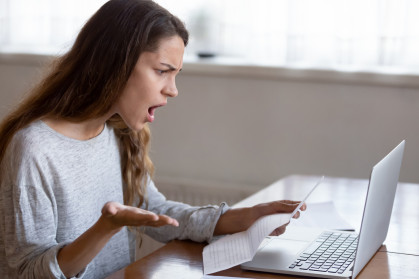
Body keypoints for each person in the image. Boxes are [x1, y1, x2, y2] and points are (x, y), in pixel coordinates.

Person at [0, 0, 305, 278]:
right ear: (115, 64)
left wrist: (240, 218)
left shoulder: (117, 131)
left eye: (175, 74)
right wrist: (104, 229)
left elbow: (157, 211)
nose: (173, 90)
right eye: (162, 71)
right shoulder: (34, 149)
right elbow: (28, 271)